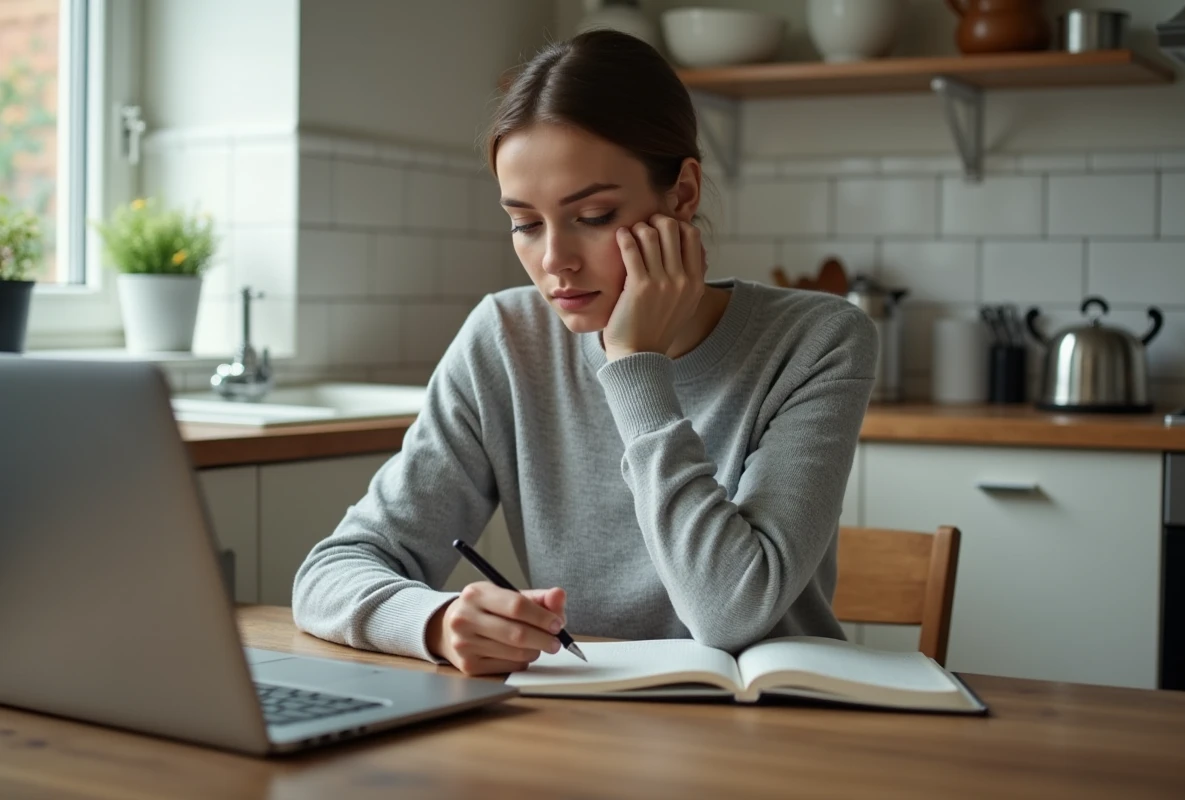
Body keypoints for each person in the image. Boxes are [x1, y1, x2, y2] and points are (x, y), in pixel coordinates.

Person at [292, 30, 878, 677]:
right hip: (583, 732)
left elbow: (729, 612)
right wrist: (434, 622)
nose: (554, 261)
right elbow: (329, 572)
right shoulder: (506, 338)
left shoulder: (819, 338)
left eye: (593, 215)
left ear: (682, 194)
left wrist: (633, 366)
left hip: (777, 733)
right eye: (524, 222)